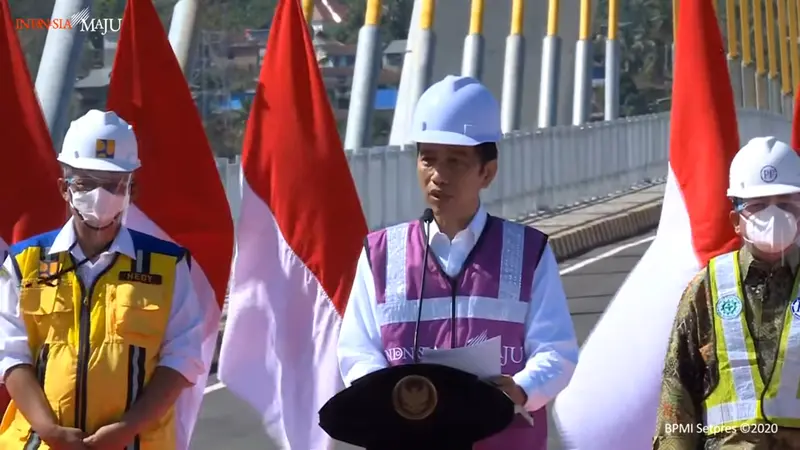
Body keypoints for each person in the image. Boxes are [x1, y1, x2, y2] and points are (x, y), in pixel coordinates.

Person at [337, 75, 579, 450]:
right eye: (428, 159)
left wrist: (520, 389)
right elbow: (357, 350)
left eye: (455, 161)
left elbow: (557, 350)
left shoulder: (529, 252)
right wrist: (385, 393)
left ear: (487, 171)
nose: (438, 175)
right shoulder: (381, 253)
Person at [0, 110, 205, 449]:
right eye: (85, 182)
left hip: (136, 442)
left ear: (131, 190)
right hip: (38, 443)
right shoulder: (24, 262)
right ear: (64, 188)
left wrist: (127, 428)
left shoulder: (167, 265)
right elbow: (9, 352)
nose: (99, 195)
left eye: (112, 185)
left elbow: (183, 358)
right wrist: (48, 430)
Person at [653, 136, 800, 449]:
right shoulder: (706, 289)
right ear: (736, 220)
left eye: (786, 204)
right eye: (758, 206)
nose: (773, 217)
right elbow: (677, 394)